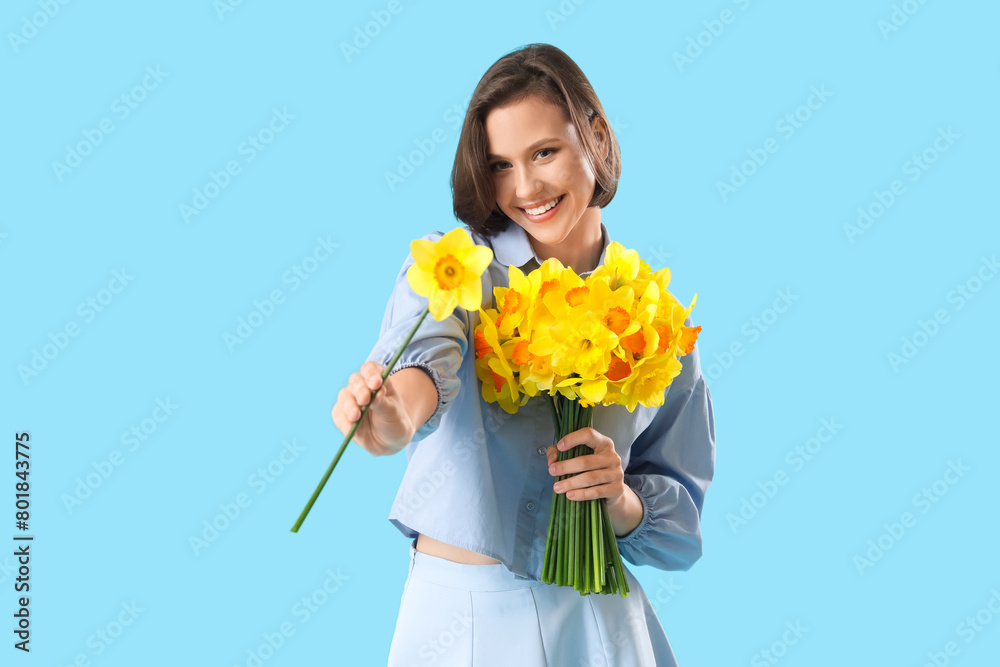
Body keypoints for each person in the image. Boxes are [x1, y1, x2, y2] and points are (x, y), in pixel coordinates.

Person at [331, 43, 715, 667]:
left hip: (597, 621)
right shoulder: (459, 267)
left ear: (594, 135)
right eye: (501, 165)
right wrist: (392, 415)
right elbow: (428, 359)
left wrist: (618, 499)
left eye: (543, 153)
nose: (526, 187)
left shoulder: (656, 323)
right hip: (462, 623)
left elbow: (680, 533)